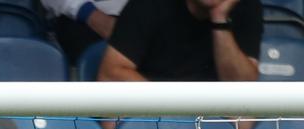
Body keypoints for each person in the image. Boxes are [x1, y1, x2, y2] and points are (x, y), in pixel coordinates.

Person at [99, 0, 261, 82]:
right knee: (113, 118)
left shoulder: (247, 5)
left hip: (211, 109)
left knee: (244, 118)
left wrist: (219, 17)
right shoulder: (148, 3)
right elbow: (111, 73)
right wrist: (173, 105)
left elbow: (243, 88)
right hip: (153, 104)